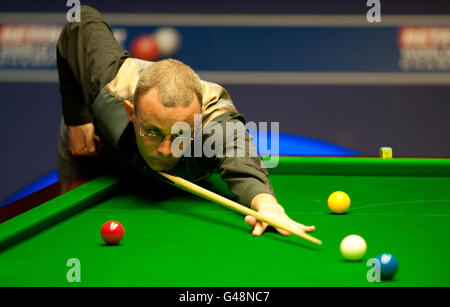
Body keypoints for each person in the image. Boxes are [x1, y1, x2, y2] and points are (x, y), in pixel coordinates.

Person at [56, 5, 315, 237]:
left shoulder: (216, 123)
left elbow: (243, 164)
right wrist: (77, 117)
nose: (166, 151)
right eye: (154, 132)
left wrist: (267, 205)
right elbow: (79, 21)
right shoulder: (111, 86)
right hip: (98, 149)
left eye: (181, 135)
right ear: (131, 112)